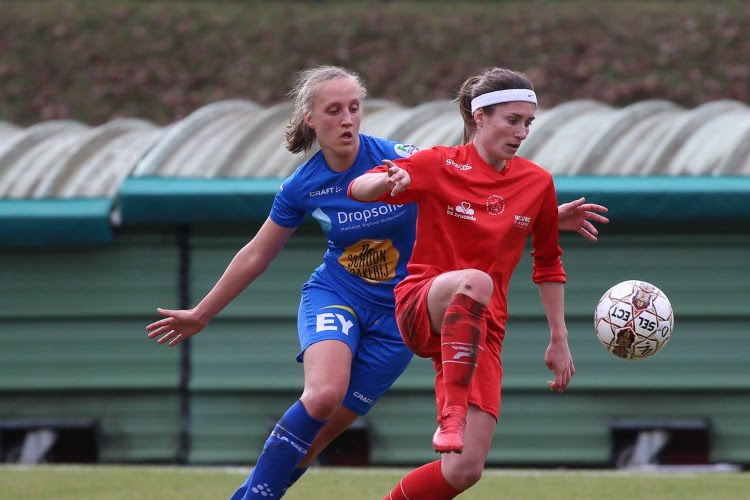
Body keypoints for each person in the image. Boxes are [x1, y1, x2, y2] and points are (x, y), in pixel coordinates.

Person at [146, 66, 607, 500]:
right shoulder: (302, 186)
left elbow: (468, 209)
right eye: (334, 110)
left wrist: (539, 219)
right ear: (310, 119)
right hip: (339, 293)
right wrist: (201, 313)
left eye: (354, 108)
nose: (347, 119)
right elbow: (256, 253)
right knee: (323, 394)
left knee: (316, 441)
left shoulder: (402, 157)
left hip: (400, 319)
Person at [349, 66, 579, 499]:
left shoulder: (538, 183)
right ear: (480, 117)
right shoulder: (438, 163)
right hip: (423, 302)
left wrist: (559, 338)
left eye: (528, 122)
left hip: (482, 331)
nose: (522, 132)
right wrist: (387, 179)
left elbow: (548, 263)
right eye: (512, 120)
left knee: (463, 470)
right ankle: (450, 412)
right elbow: (358, 189)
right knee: (473, 282)